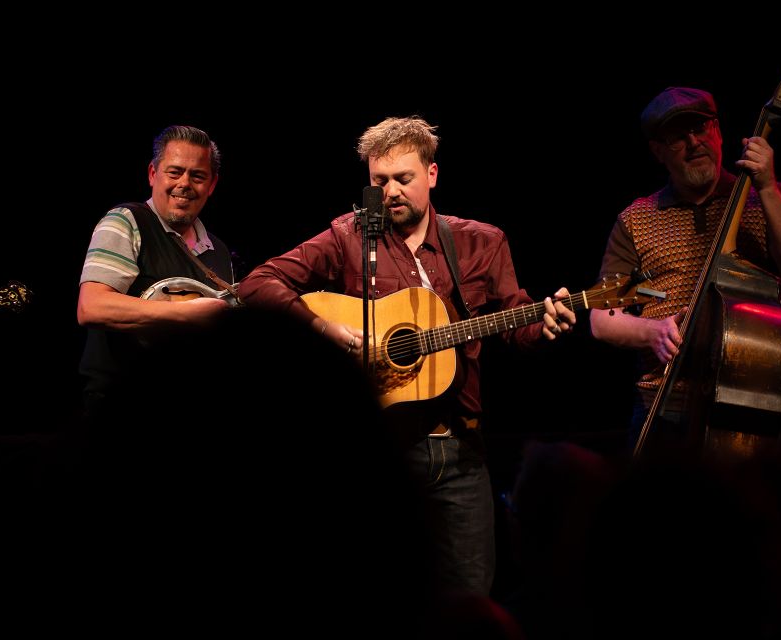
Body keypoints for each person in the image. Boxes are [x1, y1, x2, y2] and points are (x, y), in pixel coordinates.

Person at [237, 116, 577, 596]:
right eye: (380, 181)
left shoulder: (482, 242)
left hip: (460, 447)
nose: (391, 191)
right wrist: (323, 328)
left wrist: (544, 325)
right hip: (380, 450)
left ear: (432, 174)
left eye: (403, 178)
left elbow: (515, 327)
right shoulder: (349, 236)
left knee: (470, 596)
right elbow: (257, 283)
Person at [590, 87, 781, 437]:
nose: (694, 142)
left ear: (719, 132)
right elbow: (602, 320)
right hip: (662, 404)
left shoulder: (766, 199)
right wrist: (653, 331)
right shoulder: (636, 219)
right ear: (658, 151)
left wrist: (768, 188)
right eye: (677, 138)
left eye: (701, 128)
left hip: (750, 397)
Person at [77, 125, 234, 426]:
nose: (184, 183)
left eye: (197, 176)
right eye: (174, 172)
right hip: (123, 409)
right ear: (153, 173)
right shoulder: (126, 221)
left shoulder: (219, 250)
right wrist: (187, 313)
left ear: (212, 184)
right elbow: (91, 307)